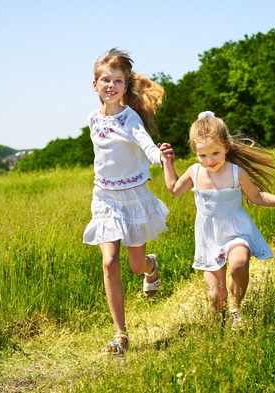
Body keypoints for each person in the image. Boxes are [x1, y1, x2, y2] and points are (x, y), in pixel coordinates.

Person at [159, 111, 275, 330]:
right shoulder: (195, 172)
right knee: (216, 297)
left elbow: (258, 196)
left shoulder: (236, 172)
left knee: (239, 264)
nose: (210, 160)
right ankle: (220, 323)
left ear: (226, 147)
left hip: (237, 231)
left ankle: (236, 308)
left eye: (215, 153)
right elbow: (174, 189)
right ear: (194, 151)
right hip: (209, 238)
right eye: (203, 155)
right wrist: (167, 162)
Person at [83, 48, 170, 354]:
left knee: (134, 266)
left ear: (125, 85)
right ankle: (121, 335)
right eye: (104, 79)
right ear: (95, 84)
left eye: (117, 80)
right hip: (105, 198)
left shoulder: (130, 117)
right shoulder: (93, 119)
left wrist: (161, 156)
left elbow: (145, 144)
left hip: (133, 197)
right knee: (109, 263)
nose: (110, 85)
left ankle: (150, 266)